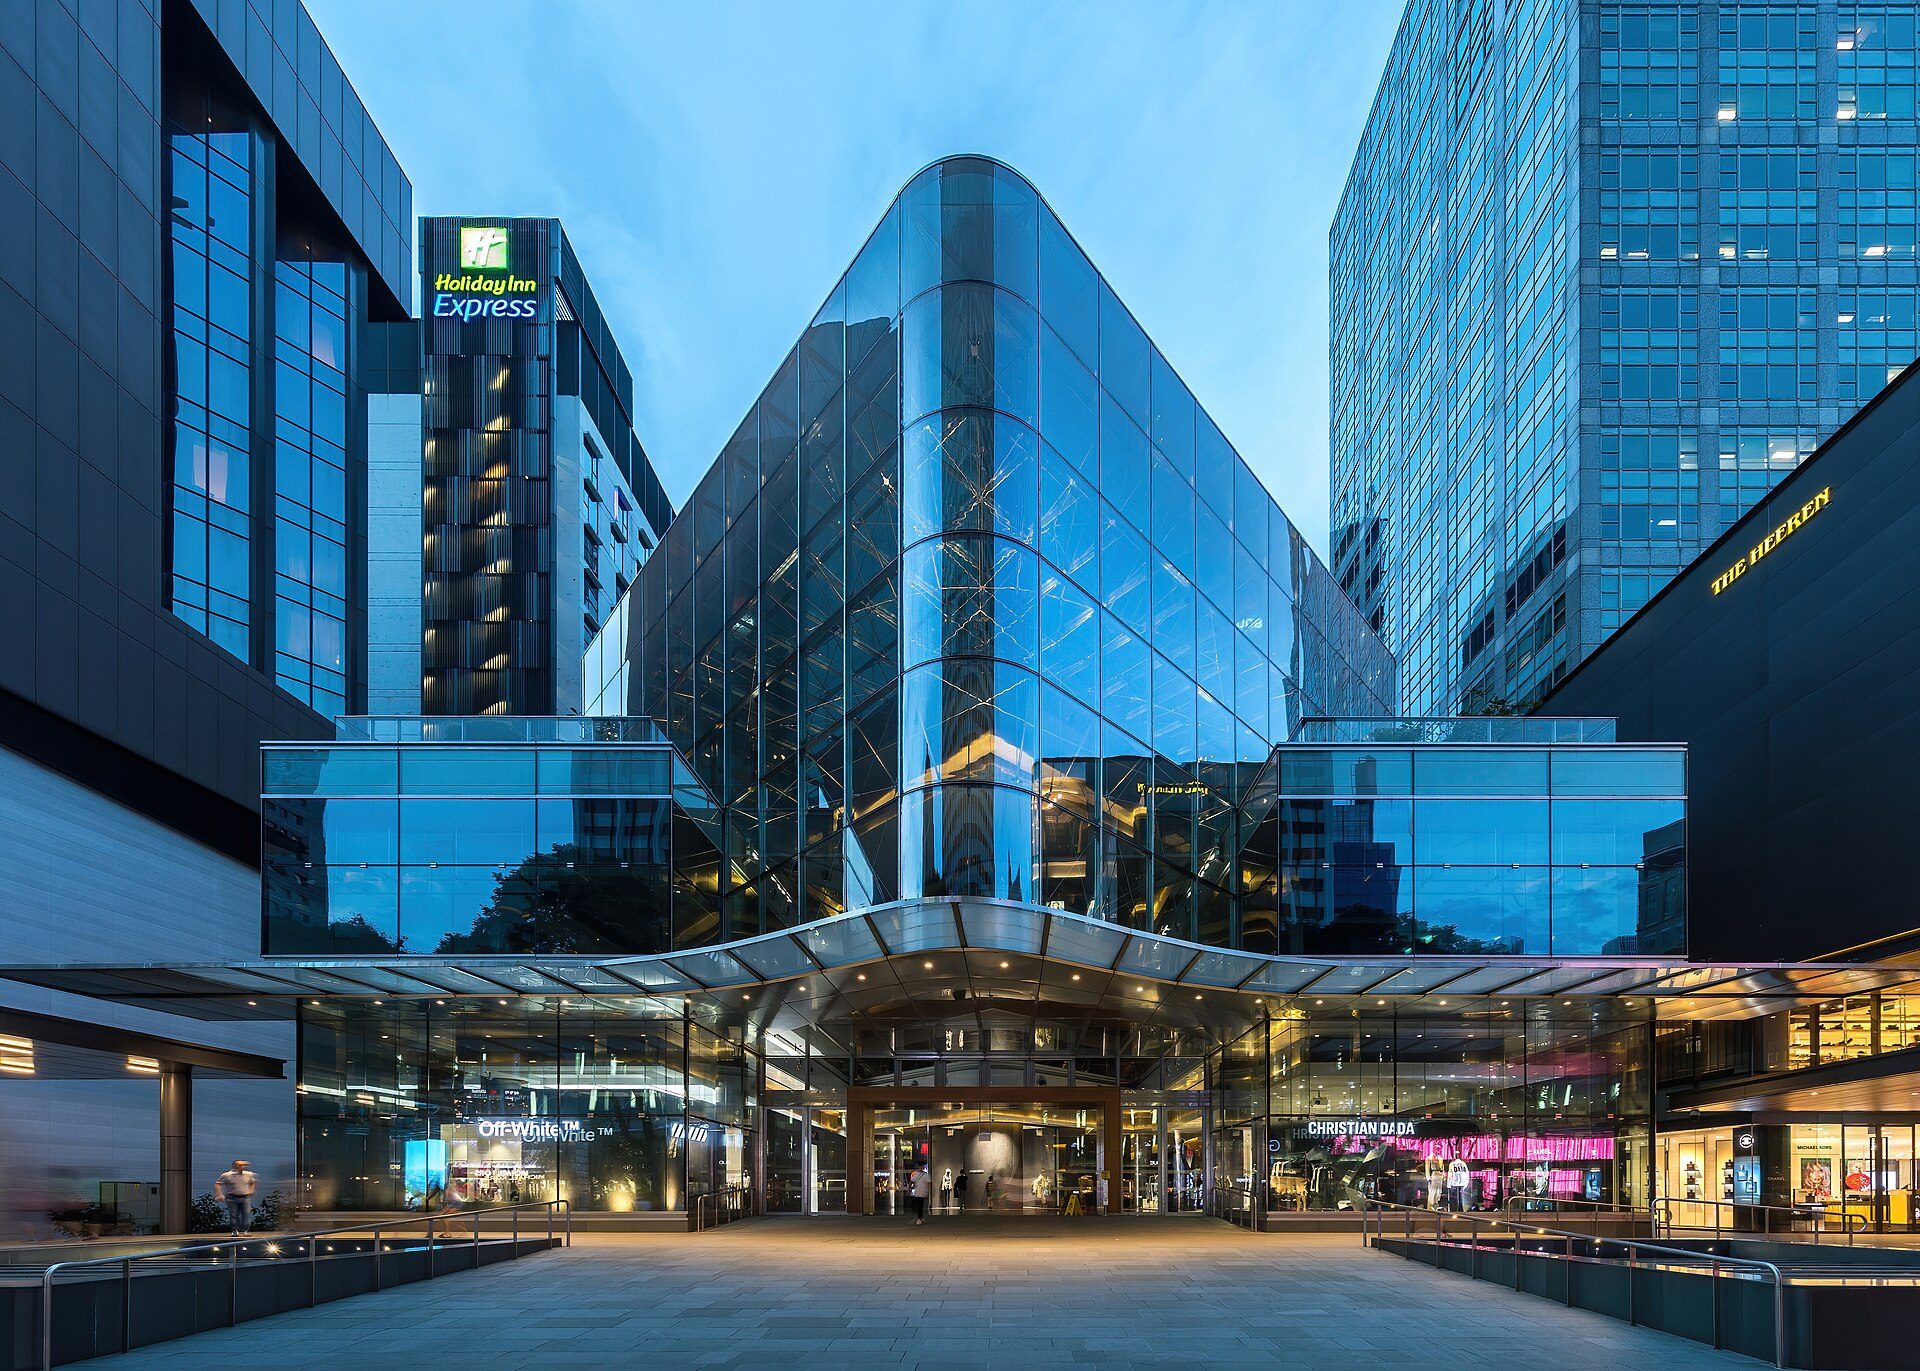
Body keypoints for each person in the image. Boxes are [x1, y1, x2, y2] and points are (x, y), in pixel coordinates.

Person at [214, 1159, 258, 1235]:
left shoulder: (248, 1174)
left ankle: (246, 1230)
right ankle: (235, 1230)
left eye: (244, 1165)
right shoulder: (226, 1175)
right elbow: (218, 1183)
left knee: (246, 1214)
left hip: (245, 1197)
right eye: (240, 1165)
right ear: (235, 1166)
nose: (243, 1167)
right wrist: (219, 1194)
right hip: (231, 1197)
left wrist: (251, 1190)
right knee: (234, 1214)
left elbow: (253, 1182)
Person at [908, 1161, 932, 1226]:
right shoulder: (922, 1175)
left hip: (921, 1192)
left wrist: (909, 1189)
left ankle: (920, 1218)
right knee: (919, 1206)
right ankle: (920, 1218)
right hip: (920, 1192)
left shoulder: (918, 1175)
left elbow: (911, 1182)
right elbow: (929, 1184)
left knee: (920, 1206)